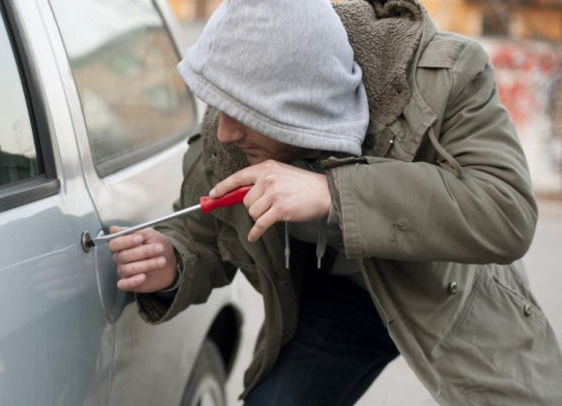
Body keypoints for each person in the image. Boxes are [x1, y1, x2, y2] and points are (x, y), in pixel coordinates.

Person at [109, 0, 562, 405]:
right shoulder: (230, 130)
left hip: (449, 290)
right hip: (343, 302)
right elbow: (204, 236)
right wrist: (173, 261)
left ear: (299, 104)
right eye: (220, 108)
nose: (225, 132)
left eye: (244, 115)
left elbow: (506, 211)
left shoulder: (445, 77)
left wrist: (333, 193)